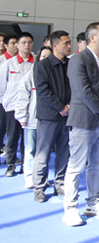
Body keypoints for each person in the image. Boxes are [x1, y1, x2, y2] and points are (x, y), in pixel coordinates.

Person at [63, 22, 99, 227]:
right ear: (92, 37)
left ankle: (94, 202)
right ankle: (70, 208)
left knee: (97, 165)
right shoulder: (78, 59)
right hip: (84, 120)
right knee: (76, 166)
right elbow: (82, 90)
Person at [32, 30, 72, 202]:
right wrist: (60, 107)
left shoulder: (70, 64)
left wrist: (69, 106)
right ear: (54, 45)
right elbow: (43, 91)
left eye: (69, 43)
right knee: (43, 152)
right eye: (65, 43)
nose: (69, 46)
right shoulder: (43, 66)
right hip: (49, 116)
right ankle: (39, 187)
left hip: (67, 115)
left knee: (64, 151)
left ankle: (59, 182)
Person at [16, 47, 52, 189]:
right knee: (30, 149)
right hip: (31, 119)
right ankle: (29, 177)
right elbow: (22, 97)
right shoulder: (30, 75)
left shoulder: (54, 76)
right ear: (38, 58)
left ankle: (41, 177)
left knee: (43, 151)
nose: (46, 59)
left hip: (48, 121)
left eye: (49, 57)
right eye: (43, 56)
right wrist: (22, 116)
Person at [0, 32, 35, 177]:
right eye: (23, 42)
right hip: (13, 106)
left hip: (32, 107)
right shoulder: (9, 64)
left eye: (29, 42)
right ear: (17, 45)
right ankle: (11, 164)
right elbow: (2, 87)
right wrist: (6, 103)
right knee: (12, 136)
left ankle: (27, 166)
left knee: (28, 138)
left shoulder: (36, 62)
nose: (27, 45)